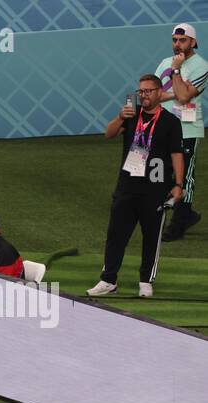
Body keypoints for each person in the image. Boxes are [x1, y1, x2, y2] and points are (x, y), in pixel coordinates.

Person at [88, 75, 185, 299]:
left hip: (156, 188)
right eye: (141, 91)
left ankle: (145, 281)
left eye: (149, 91)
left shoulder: (170, 121)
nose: (144, 95)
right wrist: (120, 116)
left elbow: (177, 154)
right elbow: (108, 133)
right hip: (127, 186)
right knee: (116, 235)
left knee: (151, 236)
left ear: (160, 93)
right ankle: (108, 279)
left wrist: (179, 184)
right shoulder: (131, 116)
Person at [157, 23, 208, 241]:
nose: (177, 44)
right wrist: (176, 90)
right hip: (165, 126)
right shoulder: (164, 63)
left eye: (183, 40)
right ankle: (186, 214)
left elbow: (185, 97)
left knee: (184, 175)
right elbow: (154, 94)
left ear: (193, 42)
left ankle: (179, 221)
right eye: (175, 40)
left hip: (187, 128)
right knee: (162, 171)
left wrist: (176, 72)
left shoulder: (201, 66)